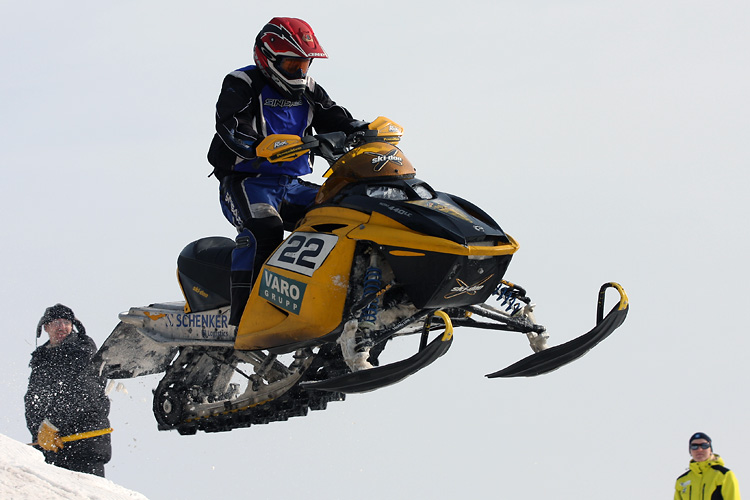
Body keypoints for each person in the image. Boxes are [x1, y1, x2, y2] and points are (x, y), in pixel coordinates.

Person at [207, 17, 368, 326]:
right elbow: (231, 124)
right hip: (246, 182)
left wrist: (362, 129)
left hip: (291, 185)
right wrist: (257, 145)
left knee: (347, 212)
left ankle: (343, 305)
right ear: (268, 58)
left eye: (304, 64)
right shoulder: (242, 82)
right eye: (292, 64)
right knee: (263, 229)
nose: (299, 72)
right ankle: (244, 321)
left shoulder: (309, 89)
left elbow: (333, 116)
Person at [24, 304, 112, 477]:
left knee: (88, 490)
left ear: (73, 326)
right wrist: (39, 431)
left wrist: (51, 424)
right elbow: (32, 400)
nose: (62, 327)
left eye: (66, 322)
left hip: (85, 443)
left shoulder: (83, 351)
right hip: (53, 448)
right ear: (46, 327)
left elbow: (84, 392)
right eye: (56, 322)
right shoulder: (41, 359)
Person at [674, 432, 741, 499]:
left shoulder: (724, 475)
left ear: (710, 450)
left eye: (704, 446)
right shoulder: (682, 480)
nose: (699, 449)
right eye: (694, 446)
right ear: (690, 451)